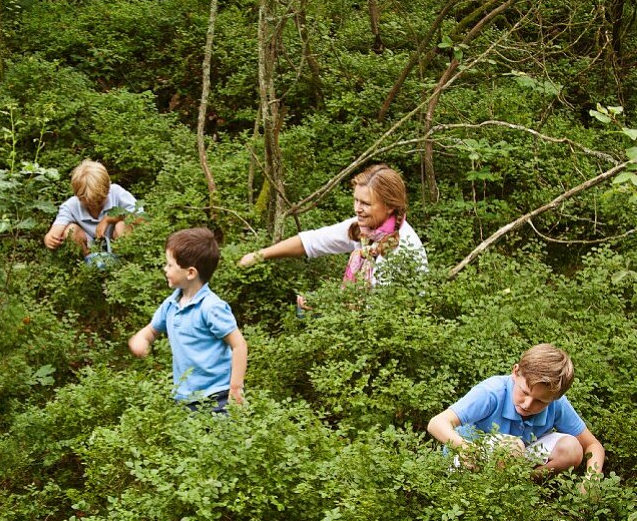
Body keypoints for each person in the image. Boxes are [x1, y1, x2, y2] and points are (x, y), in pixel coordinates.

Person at [237, 164, 427, 292]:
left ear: (389, 206)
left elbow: (383, 312)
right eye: (356, 200)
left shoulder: (404, 248)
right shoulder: (365, 229)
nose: (357, 209)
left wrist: (326, 305)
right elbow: (312, 242)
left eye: (366, 204)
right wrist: (259, 256)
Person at [426, 343, 606, 478]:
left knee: (572, 449)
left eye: (540, 401)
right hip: (468, 461)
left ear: (554, 398)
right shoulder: (492, 392)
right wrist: (464, 448)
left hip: (515, 460)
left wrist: (591, 481)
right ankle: (496, 494)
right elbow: (437, 423)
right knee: (512, 447)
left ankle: (523, 484)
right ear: (516, 372)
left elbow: (593, 445)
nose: (528, 404)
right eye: (524, 392)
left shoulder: (556, 403)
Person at [129, 228, 247, 413]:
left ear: (190, 273)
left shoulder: (211, 307)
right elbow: (152, 330)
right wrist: (141, 339)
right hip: (184, 397)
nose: (165, 269)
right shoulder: (171, 303)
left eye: (170, 265)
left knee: (219, 439)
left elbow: (239, 345)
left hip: (218, 395)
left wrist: (235, 387)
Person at [43, 159, 141, 259]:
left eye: (100, 201)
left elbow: (142, 219)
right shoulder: (70, 206)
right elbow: (56, 229)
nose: (95, 205)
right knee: (70, 230)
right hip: (88, 246)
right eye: (88, 203)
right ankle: (90, 262)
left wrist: (109, 218)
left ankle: (122, 260)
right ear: (77, 196)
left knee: (123, 225)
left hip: (115, 241)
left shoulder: (117, 193)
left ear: (108, 189)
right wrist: (50, 239)